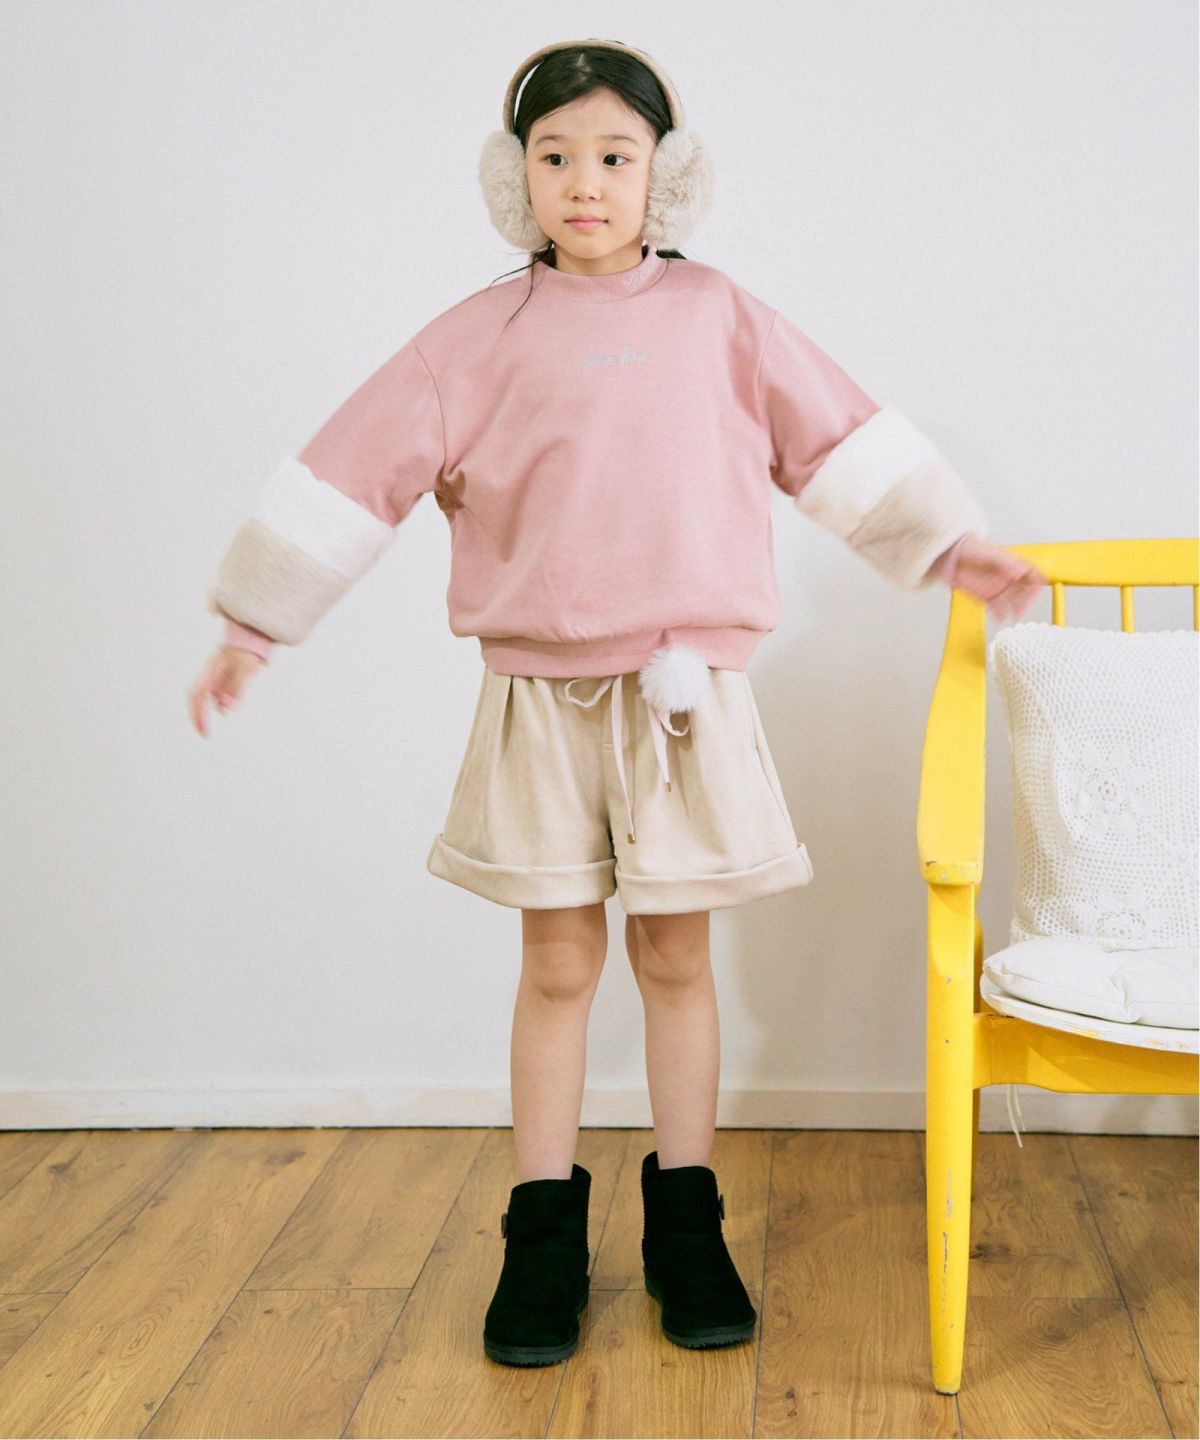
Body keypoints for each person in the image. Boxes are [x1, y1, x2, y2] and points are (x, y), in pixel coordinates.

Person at [187, 38, 1047, 1369]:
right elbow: (356, 471)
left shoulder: (720, 318)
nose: (584, 182)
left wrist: (948, 548)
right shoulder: (476, 338)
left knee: (676, 962)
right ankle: (541, 1236)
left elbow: (833, 440)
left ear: (664, 174)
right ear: (514, 176)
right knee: (555, 966)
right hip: (539, 698)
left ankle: (684, 1224)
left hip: (685, 698)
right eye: (555, 156)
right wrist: (257, 621)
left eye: (613, 155)